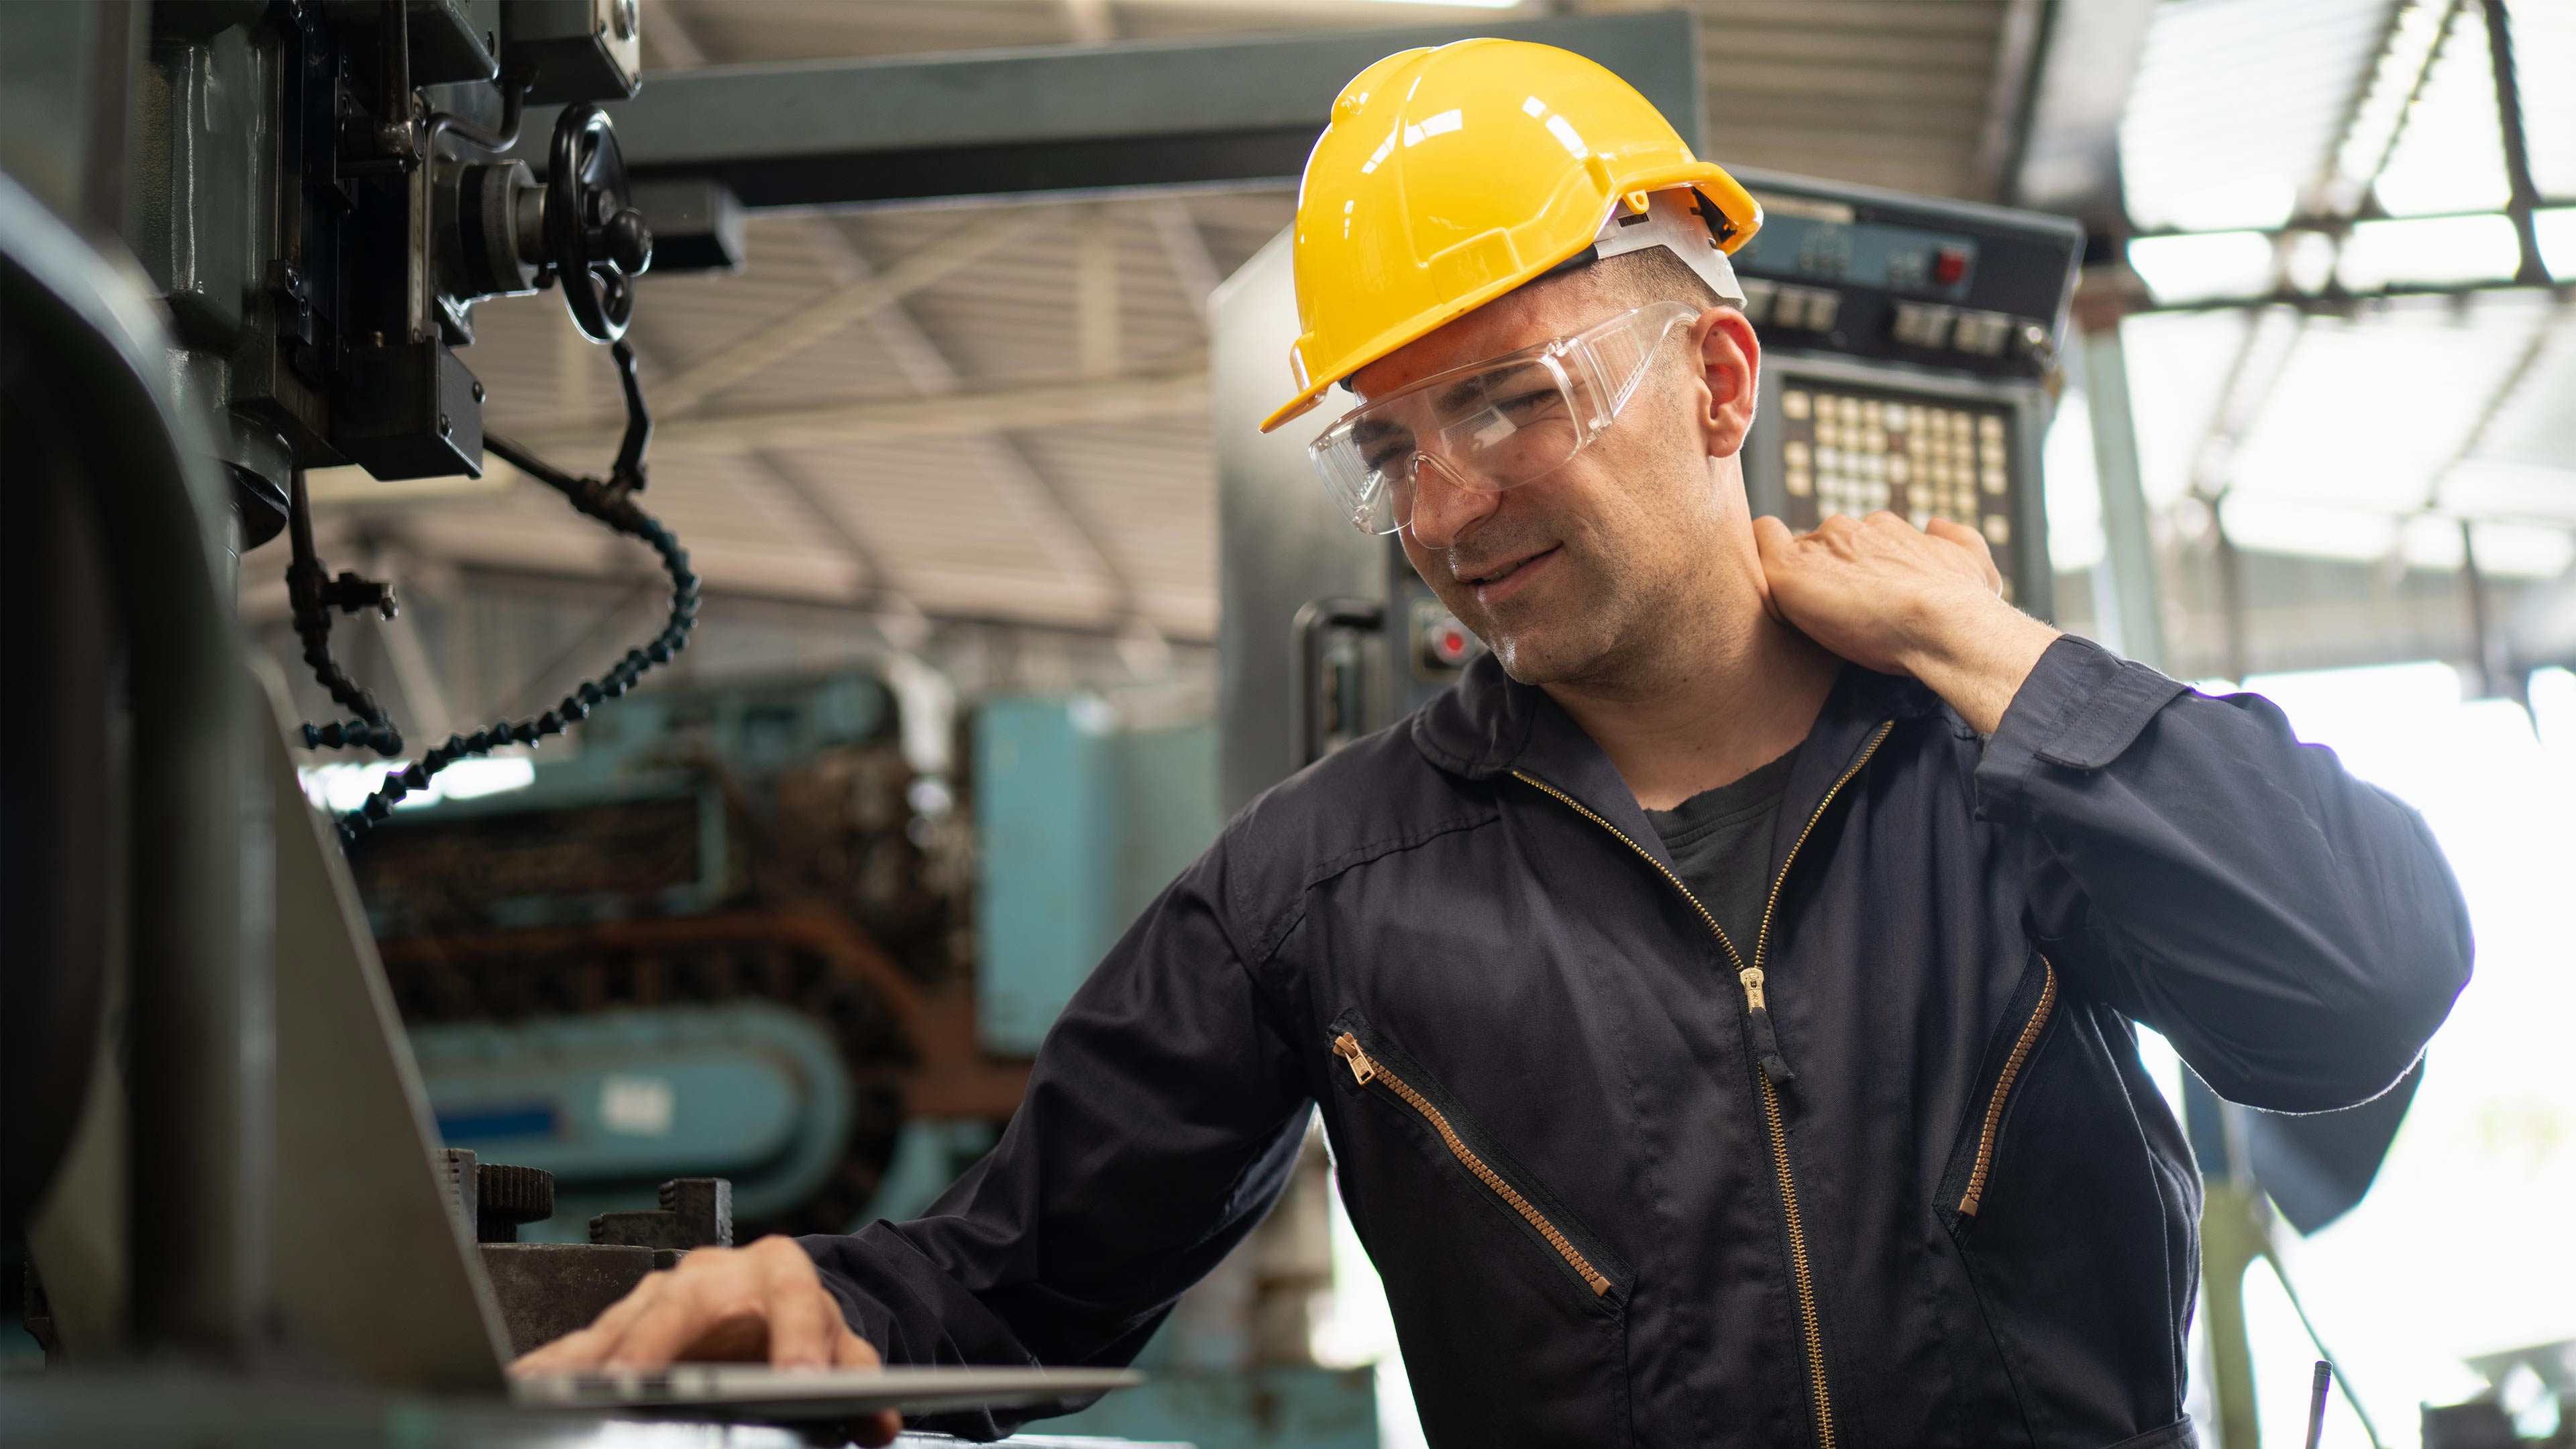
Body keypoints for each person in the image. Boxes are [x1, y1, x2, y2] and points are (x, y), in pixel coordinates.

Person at [517, 40, 2471, 1448]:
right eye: (1390, 444)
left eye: (1513, 401)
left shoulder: (2002, 778)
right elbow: (1014, 1284)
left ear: (1717, 376)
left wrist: (2000, 649)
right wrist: (816, 1309)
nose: (1446, 511)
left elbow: (2365, 982)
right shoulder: (1325, 889)